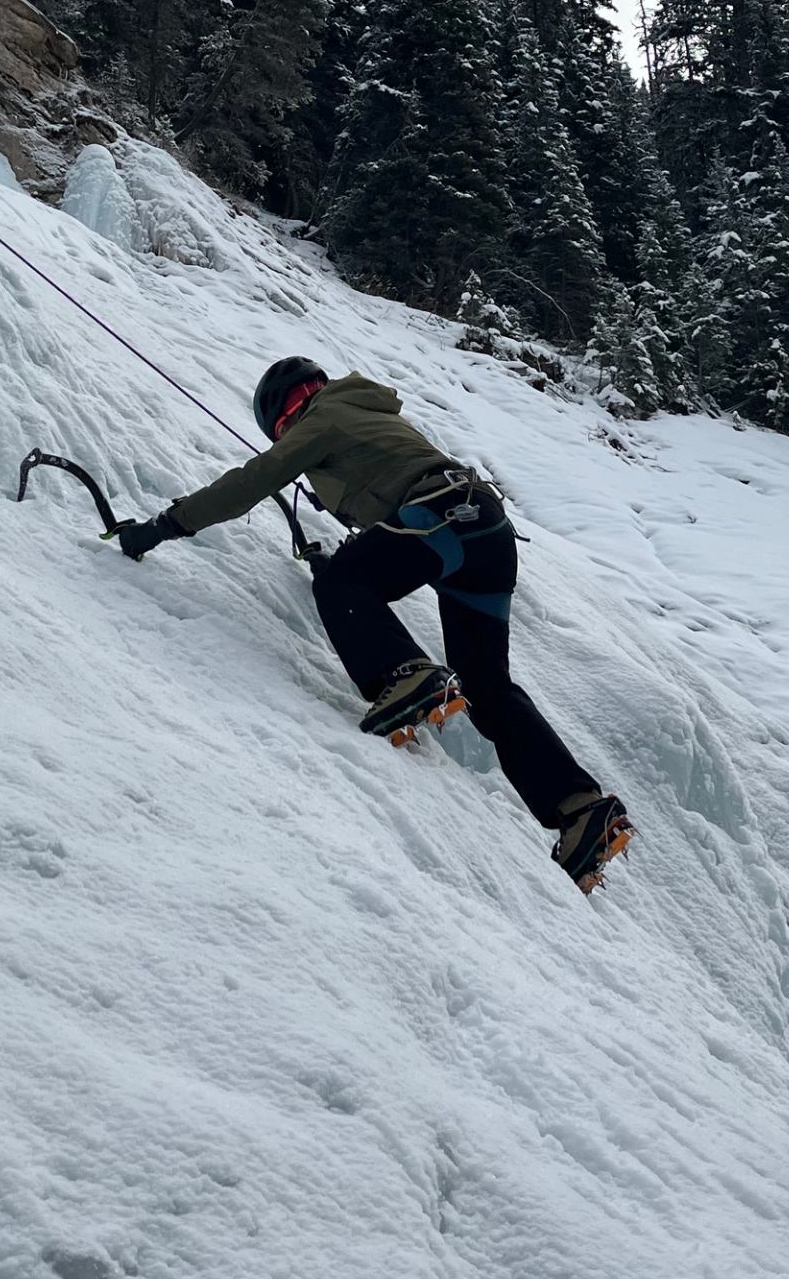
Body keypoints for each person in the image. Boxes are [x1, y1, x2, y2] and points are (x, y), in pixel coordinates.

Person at [117, 358, 633, 894]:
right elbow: (387, 495)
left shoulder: (324, 417)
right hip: (485, 532)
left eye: (288, 418)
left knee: (341, 582)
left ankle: (403, 676)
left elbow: (253, 481)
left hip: (443, 516)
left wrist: (163, 526)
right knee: (486, 687)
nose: (293, 423)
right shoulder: (369, 412)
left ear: (292, 410)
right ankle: (580, 811)